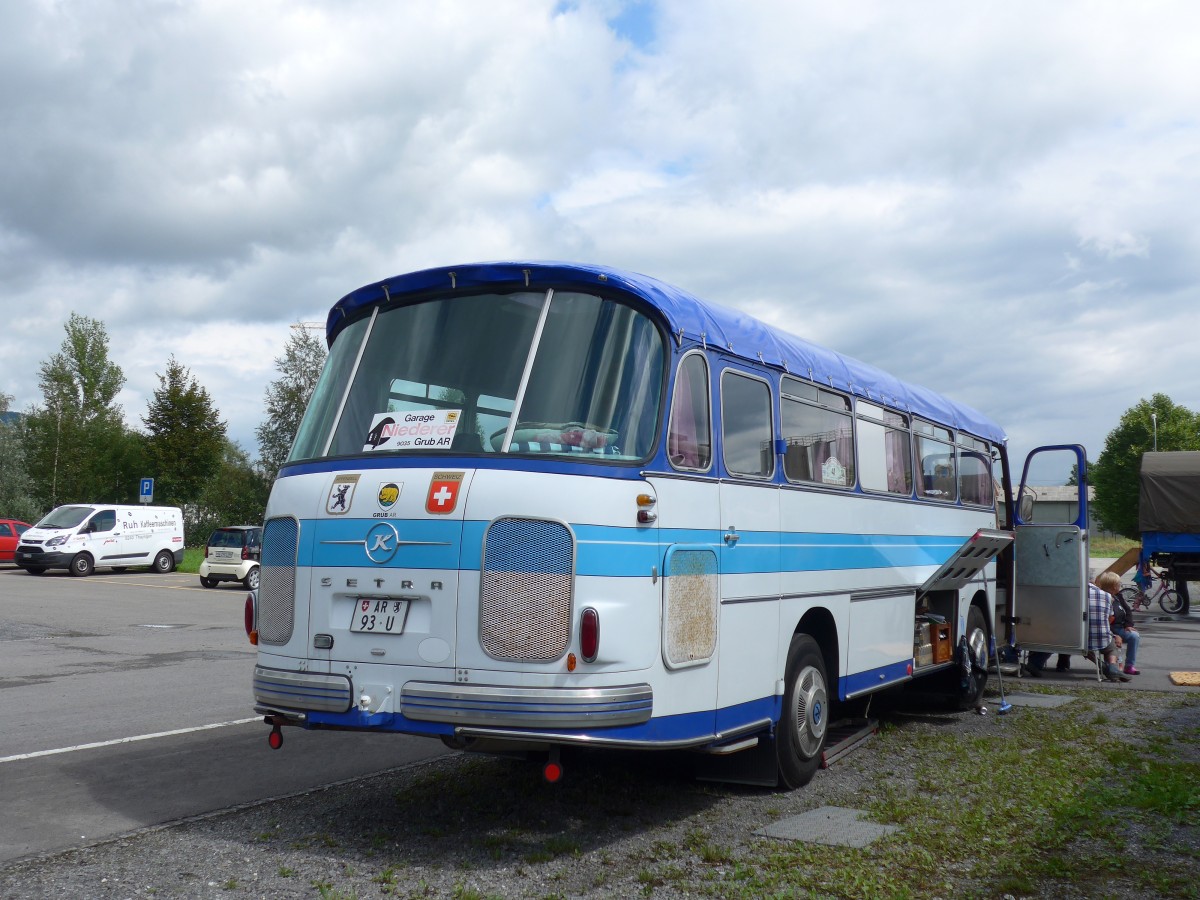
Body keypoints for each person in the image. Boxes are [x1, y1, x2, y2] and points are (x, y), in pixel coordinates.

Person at [1102, 571, 1141, 675]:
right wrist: (1115, 635)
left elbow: (1128, 610)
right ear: (1113, 586)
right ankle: (1113, 666)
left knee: (1134, 636)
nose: (1120, 585)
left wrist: (1128, 625)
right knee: (1116, 642)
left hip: (1120, 627)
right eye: (1119, 584)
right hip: (1109, 629)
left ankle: (1129, 666)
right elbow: (1104, 621)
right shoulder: (1105, 598)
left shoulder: (1118, 596)